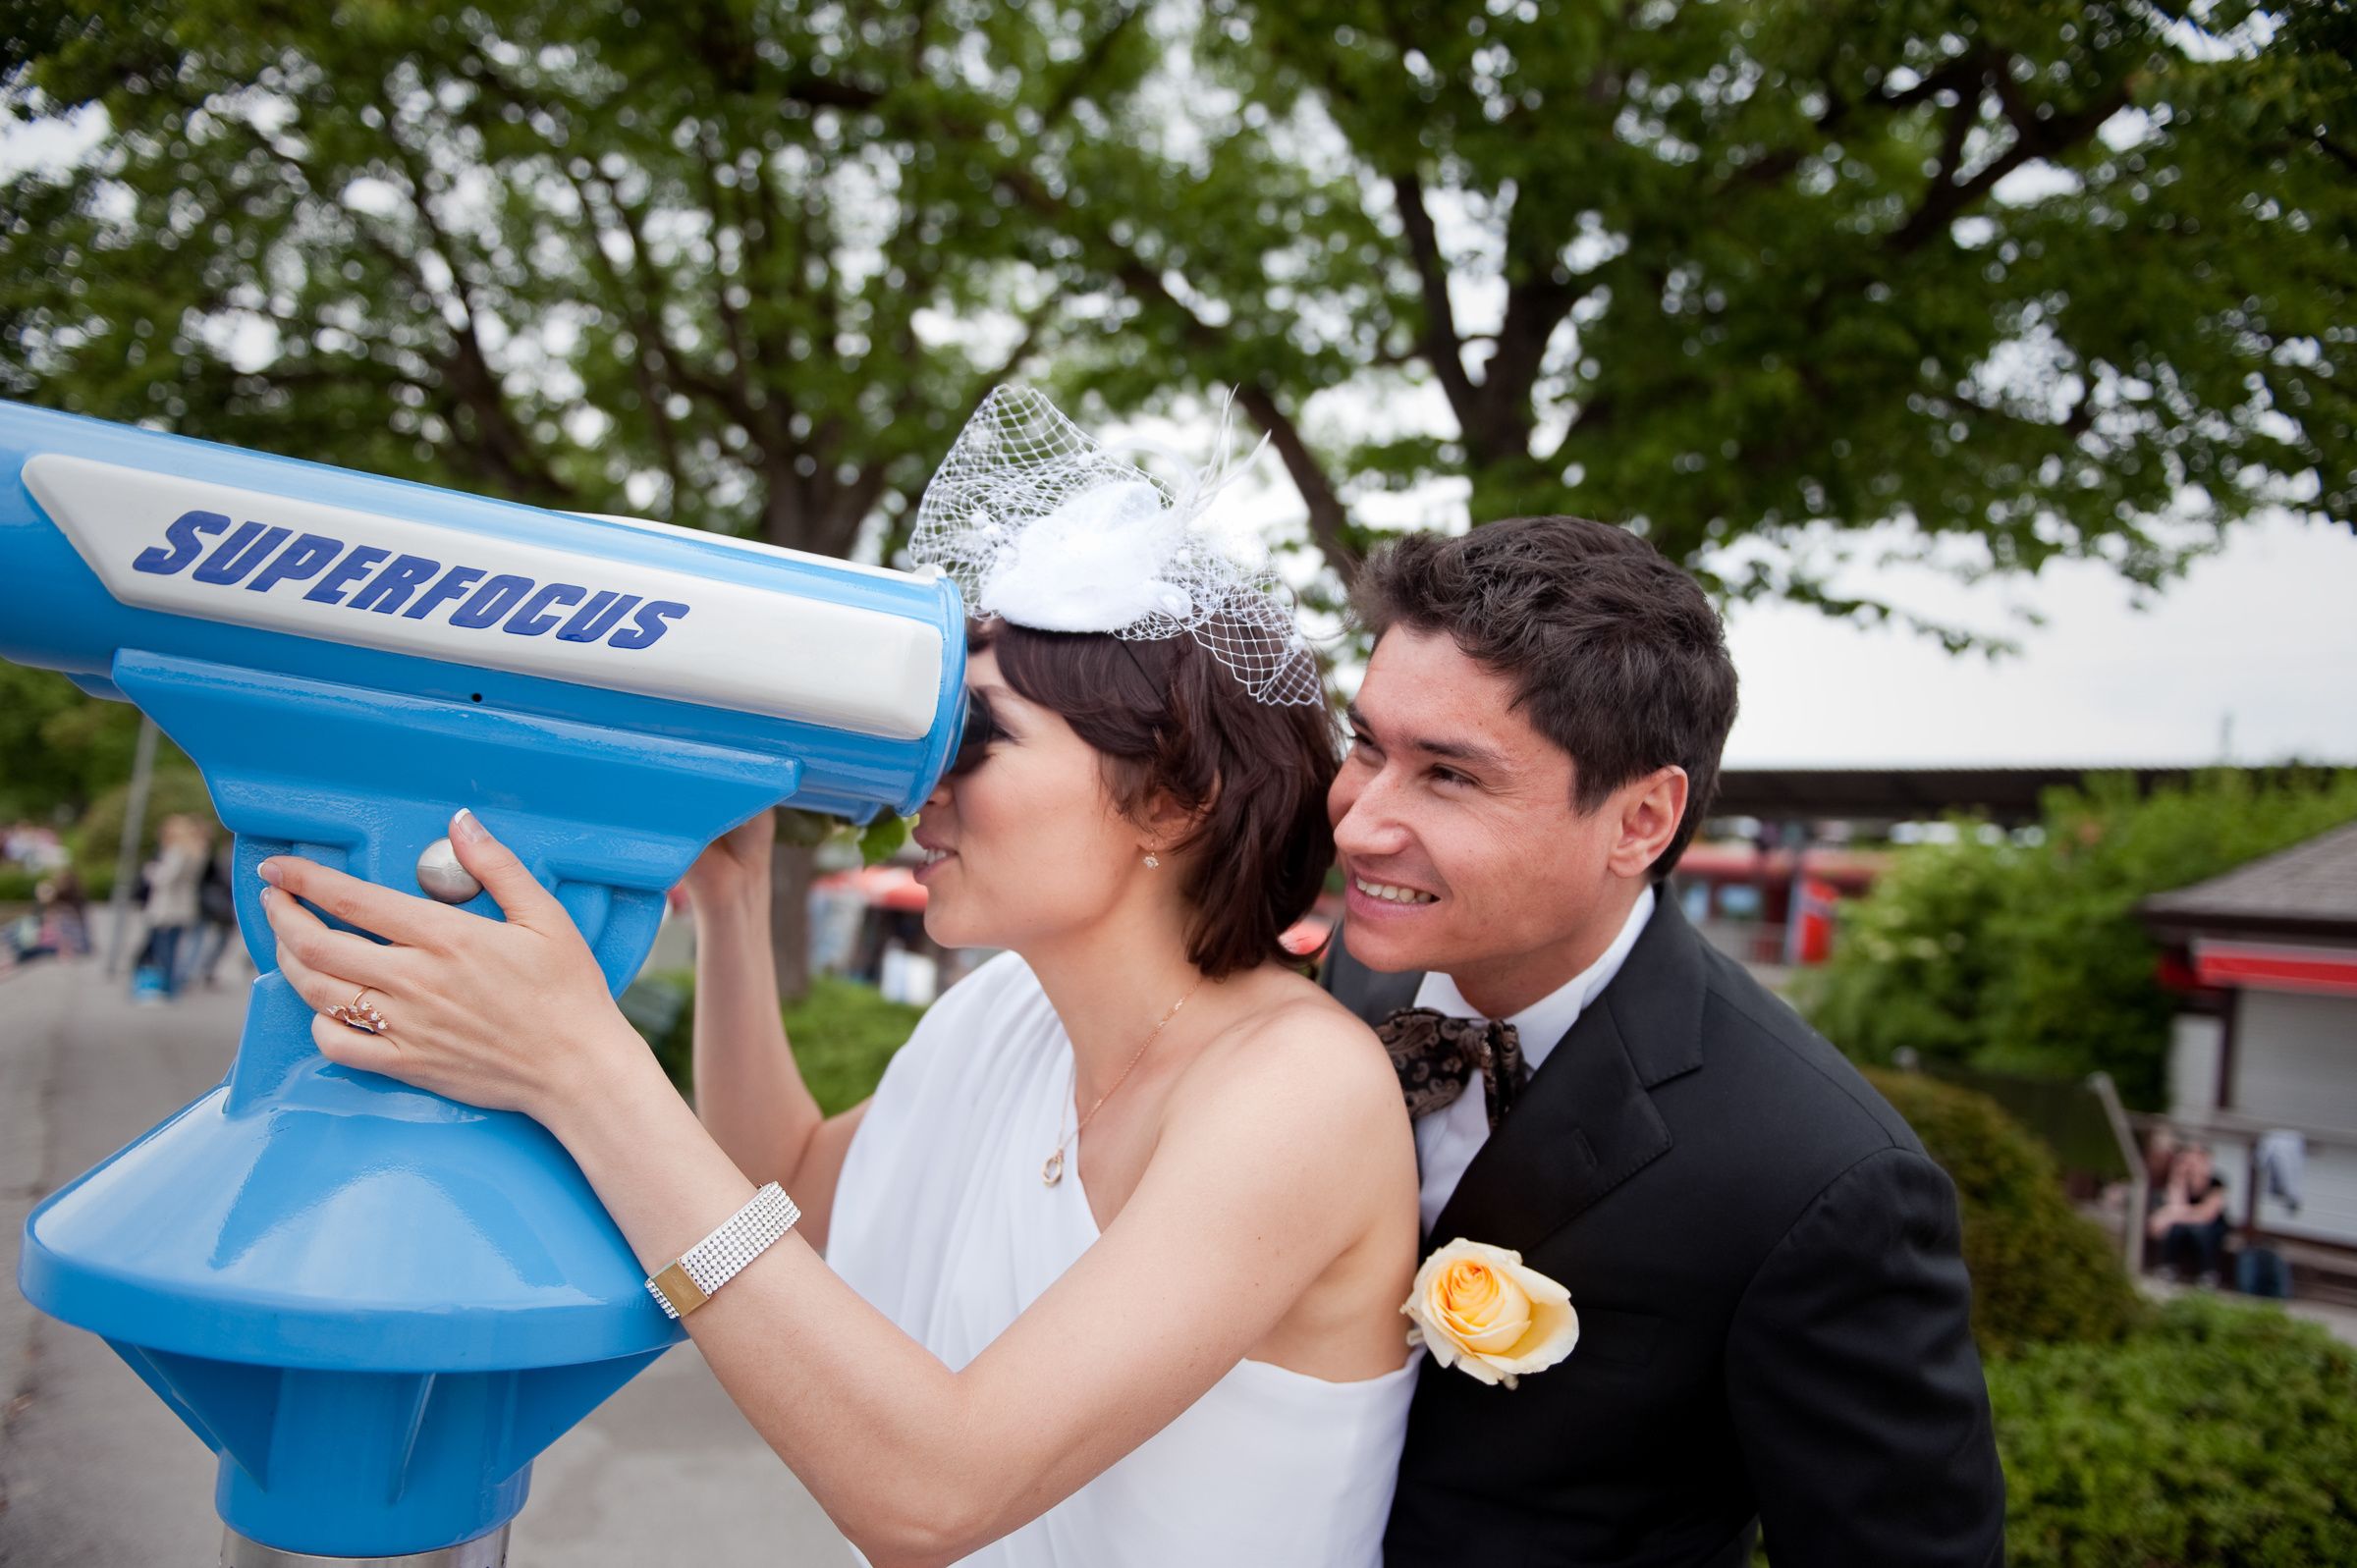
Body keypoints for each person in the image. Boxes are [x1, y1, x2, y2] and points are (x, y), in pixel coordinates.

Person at [251, 388, 1422, 1568]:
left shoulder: (1298, 1087)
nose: (922, 793)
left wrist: (578, 1066)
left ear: (1170, 797)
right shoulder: (1013, 1013)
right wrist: (727, 899)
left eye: (974, 738)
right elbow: (789, 1195)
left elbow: (935, 1494)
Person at [1320, 518, 2005, 1566]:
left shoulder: (1823, 1182)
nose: (1360, 823)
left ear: (1642, 820)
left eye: (1449, 776)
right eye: (1367, 744)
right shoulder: (1348, 976)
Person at [134, 814, 209, 1001]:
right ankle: (170, 988)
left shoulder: (177, 851)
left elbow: (165, 878)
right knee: (173, 950)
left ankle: (166, 989)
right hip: (185, 907)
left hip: (167, 907)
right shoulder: (197, 851)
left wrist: (151, 871)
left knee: (163, 950)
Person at [2149, 1143, 2230, 1284]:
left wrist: (2166, 1216)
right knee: (2176, 1229)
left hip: (2211, 1227)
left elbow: (2207, 1214)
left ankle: (2208, 1272)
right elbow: (2176, 1206)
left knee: (2200, 1231)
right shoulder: (2182, 1180)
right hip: (2186, 1224)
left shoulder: (2216, 1183)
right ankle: (2169, 1267)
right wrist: (2179, 1175)